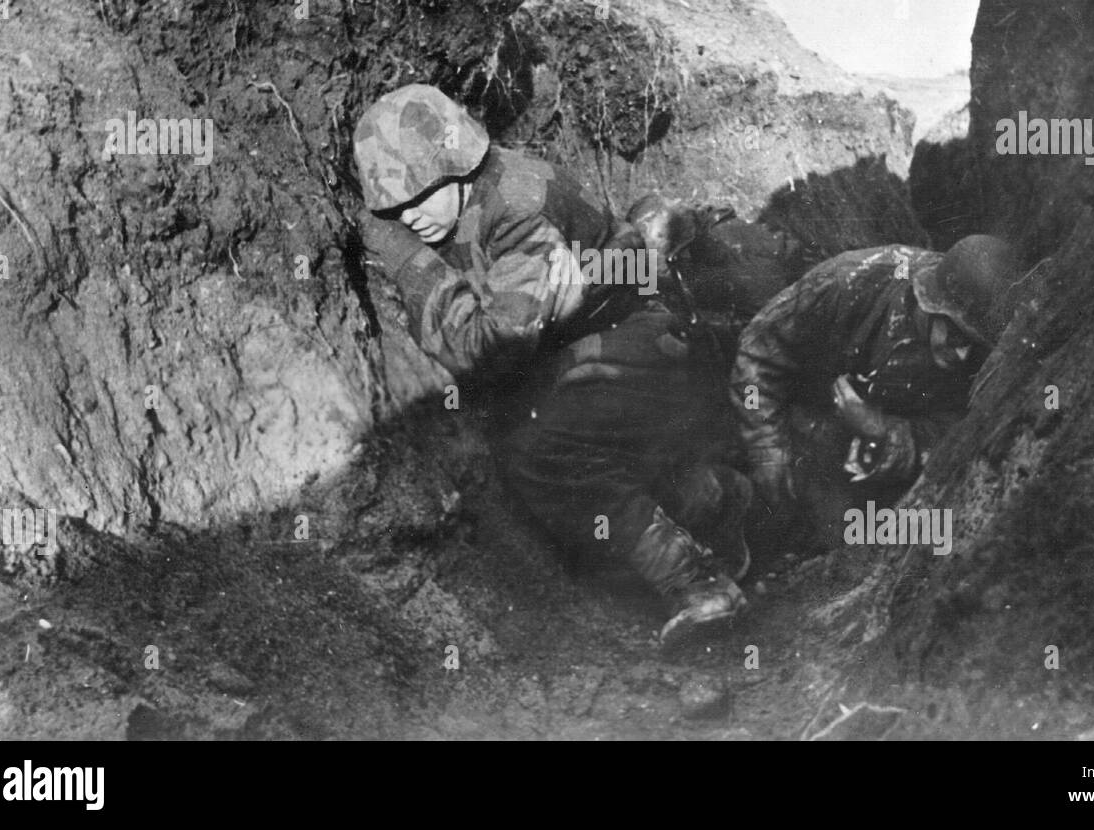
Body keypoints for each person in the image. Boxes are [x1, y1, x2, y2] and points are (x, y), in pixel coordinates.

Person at [354, 84, 749, 648]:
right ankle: (712, 498)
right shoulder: (476, 196)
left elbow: (487, 348)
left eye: (419, 197)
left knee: (539, 449)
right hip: (613, 346)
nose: (408, 216)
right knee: (548, 427)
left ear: (458, 165)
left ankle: (697, 582)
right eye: (393, 208)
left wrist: (408, 261)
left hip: (644, 340)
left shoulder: (516, 207)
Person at [728, 235, 1022, 560]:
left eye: (972, 342)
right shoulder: (849, 282)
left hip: (874, 449)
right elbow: (756, 355)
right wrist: (764, 447)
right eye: (954, 335)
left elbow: (957, 436)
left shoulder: (986, 349)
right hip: (795, 409)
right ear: (928, 303)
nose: (963, 354)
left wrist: (881, 429)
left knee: (858, 545)